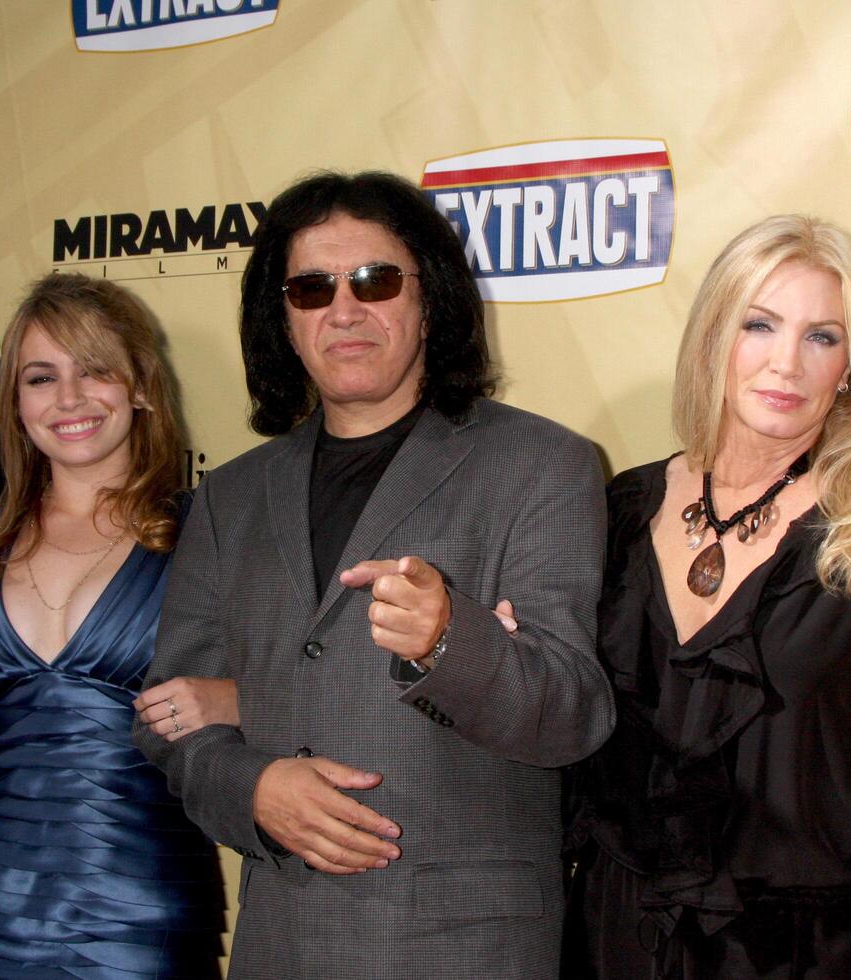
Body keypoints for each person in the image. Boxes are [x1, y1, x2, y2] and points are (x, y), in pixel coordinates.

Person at [133, 171, 615, 978]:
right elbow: (165, 716)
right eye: (312, 288)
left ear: (430, 303)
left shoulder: (543, 466)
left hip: (465, 951)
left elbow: (573, 715)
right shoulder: (230, 497)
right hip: (283, 946)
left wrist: (449, 641)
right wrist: (252, 788)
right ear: (282, 319)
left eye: (376, 280)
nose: (344, 310)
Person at [563, 215, 851, 979]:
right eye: (758, 325)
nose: (786, 364)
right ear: (712, 339)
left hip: (800, 959)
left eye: (822, 337)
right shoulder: (621, 510)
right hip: (614, 943)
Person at [0, 273, 227, 980]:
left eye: (95, 370)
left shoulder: (204, 534)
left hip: (135, 923)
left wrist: (232, 699)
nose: (69, 399)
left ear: (141, 387)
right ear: (17, 402)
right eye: (41, 377)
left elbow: (301, 691)